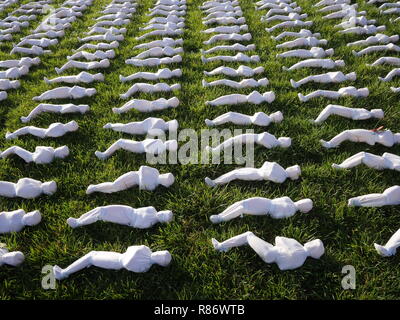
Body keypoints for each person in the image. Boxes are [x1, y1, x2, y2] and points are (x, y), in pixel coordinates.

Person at [212, 231, 324, 270]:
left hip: (270, 251)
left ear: (311, 245)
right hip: (271, 258)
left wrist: (282, 248)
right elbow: (282, 267)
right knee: (250, 241)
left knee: (248, 235)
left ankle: (221, 246)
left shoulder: (296, 244)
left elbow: (278, 238)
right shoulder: (301, 261)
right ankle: (241, 244)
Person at [53, 245, 172, 280]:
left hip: (115, 262)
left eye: (160, 257)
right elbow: (130, 249)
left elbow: (127, 264)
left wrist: (131, 257)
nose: (158, 254)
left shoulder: (145, 266)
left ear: (159, 262)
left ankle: (64, 273)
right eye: (161, 253)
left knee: (90, 257)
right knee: (92, 254)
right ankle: (66, 271)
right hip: (118, 256)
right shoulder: (145, 250)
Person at [209, 196, 312, 223]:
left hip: (266, 208)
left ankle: (222, 219)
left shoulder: (291, 212)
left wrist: (273, 210)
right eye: (305, 200)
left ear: (304, 210)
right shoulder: (288, 199)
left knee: (242, 209)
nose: (303, 202)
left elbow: (276, 216)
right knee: (241, 203)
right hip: (265, 201)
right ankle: (220, 215)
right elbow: (276, 200)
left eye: (305, 204)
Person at [67, 205, 173, 229]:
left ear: (162, 221)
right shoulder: (152, 209)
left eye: (163, 217)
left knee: (101, 215)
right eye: (164, 212)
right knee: (101, 209)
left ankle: (78, 223)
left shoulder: (149, 223)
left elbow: (136, 224)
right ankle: (79, 219)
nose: (161, 214)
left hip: (126, 219)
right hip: (128, 209)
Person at [86, 165, 174, 193]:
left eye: (165, 181)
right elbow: (142, 168)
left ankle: (96, 189)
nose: (163, 179)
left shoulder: (153, 186)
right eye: (165, 177)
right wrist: (141, 178)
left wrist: (142, 177)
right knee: (114, 184)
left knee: (115, 189)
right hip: (131, 176)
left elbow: (142, 187)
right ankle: (94, 187)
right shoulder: (155, 172)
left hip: (131, 184)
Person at [205, 161, 301, 186]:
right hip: (257, 170)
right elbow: (267, 164)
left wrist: (267, 169)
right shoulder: (281, 170)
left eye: (293, 169)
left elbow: (267, 174)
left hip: (257, 175)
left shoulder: (282, 178)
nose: (291, 167)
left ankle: (215, 183)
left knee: (235, 174)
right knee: (235, 172)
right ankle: (216, 181)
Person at [321, 128, 400, 148]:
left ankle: (330, 144)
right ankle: (331, 144)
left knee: (347, 132)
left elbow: (382, 136)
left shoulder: (389, 134)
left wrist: (379, 131)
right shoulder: (390, 143)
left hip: (370, 135)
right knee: (347, 133)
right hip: (368, 138)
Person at [0, 145, 69, 164]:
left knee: (14, 148)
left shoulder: (49, 150)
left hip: (30, 156)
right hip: (33, 158)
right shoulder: (51, 160)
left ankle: (2, 155)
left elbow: (37, 147)